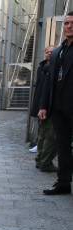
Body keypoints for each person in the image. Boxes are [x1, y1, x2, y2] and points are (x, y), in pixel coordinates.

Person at [38, 11, 73, 195]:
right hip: (58, 108)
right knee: (62, 146)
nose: (69, 26)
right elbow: (49, 82)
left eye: (71, 23)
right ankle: (63, 182)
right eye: (66, 23)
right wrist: (44, 106)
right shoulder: (59, 51)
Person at [31, 47, 57, 172]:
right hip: (45, 105)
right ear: (44, 53)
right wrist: (41, 106)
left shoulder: (48, 67)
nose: (49, 54)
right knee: (46, 134)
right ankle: (43, 161)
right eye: (47, 52)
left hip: (44, 104)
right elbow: (42, 89)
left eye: (52, 52)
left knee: (45, 134)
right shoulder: (43, 68)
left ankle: (41, 160)